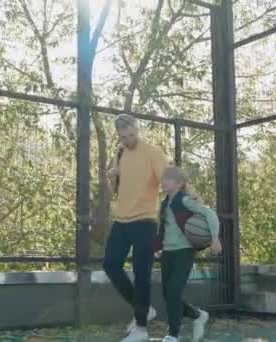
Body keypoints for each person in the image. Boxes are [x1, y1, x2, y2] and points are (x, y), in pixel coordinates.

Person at [104, 114, 167, 342]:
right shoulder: (119, 153)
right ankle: (144, 309)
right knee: (110, 265)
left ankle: (141, 329)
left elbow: (166, 180)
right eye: (123, 137)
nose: (128, 140)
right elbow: (115, 191)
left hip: (145, 220)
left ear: (138, 130)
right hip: (121, 219)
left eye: (132, 135)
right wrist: (113, 178)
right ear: (118, 136)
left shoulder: (153, 152)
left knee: (142, 273)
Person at [157, 166, 222, 342]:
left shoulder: (185, 201)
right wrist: (155, 248)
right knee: (167, 295)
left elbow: (210, 214)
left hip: (184, 252)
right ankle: (197, 315)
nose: (163, 181)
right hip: (168, 253)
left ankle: (173, 334)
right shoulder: (164, 204)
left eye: (168, 179)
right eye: (163, 178)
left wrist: (215, 239)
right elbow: (164, 230)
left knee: (174, 293)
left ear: (179, 183)